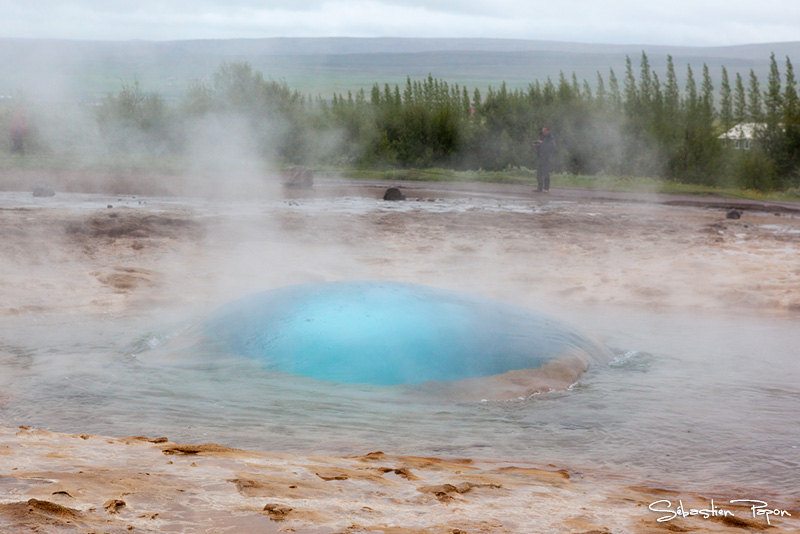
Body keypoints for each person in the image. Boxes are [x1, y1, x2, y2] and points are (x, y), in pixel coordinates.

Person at [532, 125, 555, 192]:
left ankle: (546, 188)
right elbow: (541, 147)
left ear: (548, 131)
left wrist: (542, 143)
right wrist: (536, 145)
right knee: (539, 173)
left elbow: (552, 147)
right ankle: (539, 188)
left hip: (547, 158)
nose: (543, 132)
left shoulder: (551, 138)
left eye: (544, 131)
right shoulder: (543, 137)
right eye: (543, 131)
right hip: (540, 157)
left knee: (546, 173)